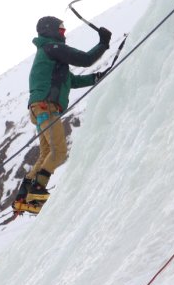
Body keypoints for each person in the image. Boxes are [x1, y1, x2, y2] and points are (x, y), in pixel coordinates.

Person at [14, 15, 112, 214]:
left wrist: (96, 77)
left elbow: (71, 81)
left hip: (39, 109)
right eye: (61, 28)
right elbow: (84, 59)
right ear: (50, 30)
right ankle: (36, 196)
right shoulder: (52, 48)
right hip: (46, 107)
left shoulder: (49, 54)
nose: (64, 32)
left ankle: (23, 196)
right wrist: (103, 43)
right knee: (58, 152)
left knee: (46, 153)